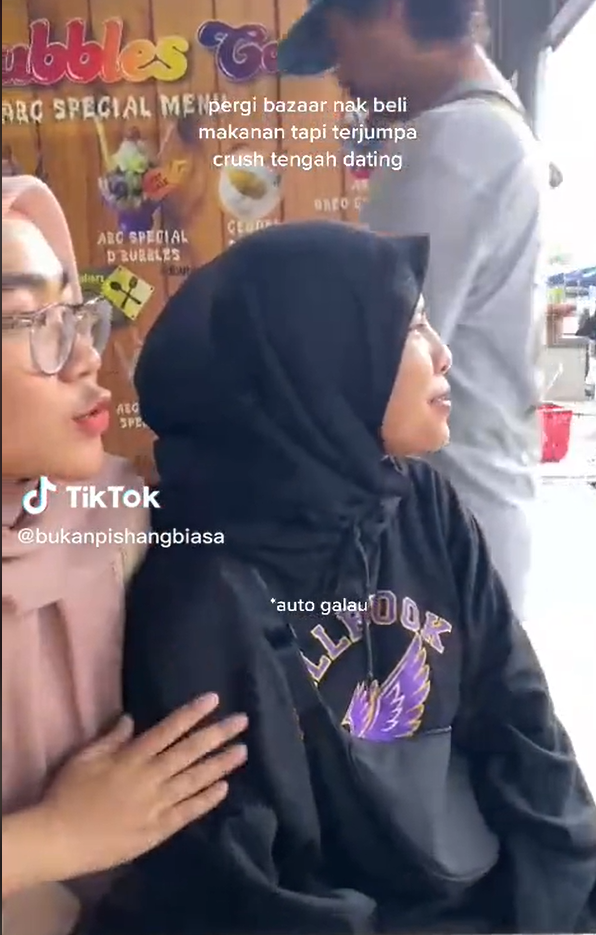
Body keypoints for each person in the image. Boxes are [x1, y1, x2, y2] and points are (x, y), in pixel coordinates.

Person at [88, 223, 595, 935]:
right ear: (319, 359)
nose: (444, 352)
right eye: (412, 328)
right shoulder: (204, 586)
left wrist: (558, 906)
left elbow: (524, 728)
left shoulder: (420, 501)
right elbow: (256, 886)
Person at [1, 176, 248, 934]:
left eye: (75, 312)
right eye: (30, 320)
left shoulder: (114, 516)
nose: (85, 357)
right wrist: (52, 838)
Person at [277, 0, 549, 618]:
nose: (341, 77)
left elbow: (375, 368)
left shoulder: (451, 140)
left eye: (339, 44)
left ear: (392, 6)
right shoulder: (499, 126)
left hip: (437, 526)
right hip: (478, 507)